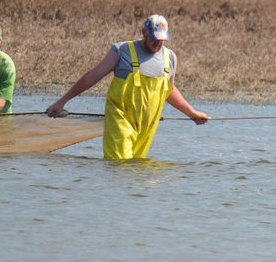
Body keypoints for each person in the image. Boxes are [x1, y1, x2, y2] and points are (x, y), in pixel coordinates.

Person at [45, 15, 209, 160]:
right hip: (120, 120)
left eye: (162, 39)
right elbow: (92, 76)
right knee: (120, 166)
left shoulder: (170, 58)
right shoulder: (122, 50)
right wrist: (62, 102)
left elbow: (169, 90)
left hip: (147, 126)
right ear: (144, 33)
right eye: (154, 38)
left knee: (136, 169)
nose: (157, 43)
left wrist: (192, 113)